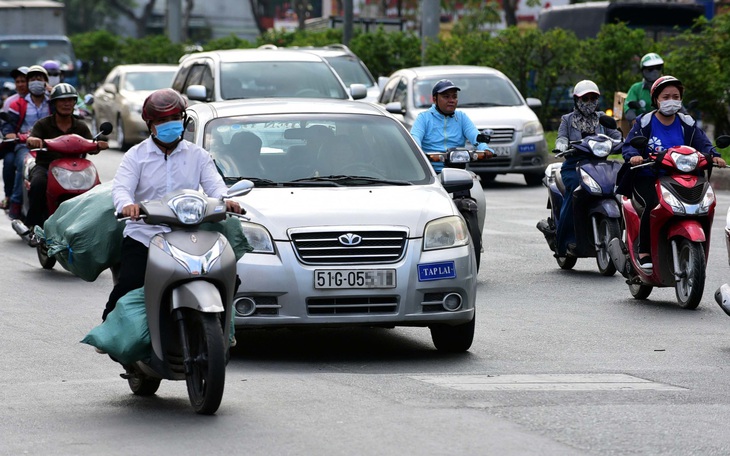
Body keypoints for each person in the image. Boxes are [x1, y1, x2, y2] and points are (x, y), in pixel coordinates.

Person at [103, 88, 241, 322]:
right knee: (130, 282)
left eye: (175, 118)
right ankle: (110, 325)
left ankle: (222, 328)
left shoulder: (198, 155)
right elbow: (122, 188)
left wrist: (225, 200)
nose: (170, 124)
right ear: (150, 124)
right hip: (144, 234)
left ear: (184, 120)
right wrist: (127, 205)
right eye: (162, 120)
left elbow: (215, 186)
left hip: (188, 233)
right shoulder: (136, 156)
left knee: (230, 277)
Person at [622, 75, 726, 270]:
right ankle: (644, 251)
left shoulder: (687, 122)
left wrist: (714, 155)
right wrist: (634, 156)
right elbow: (629, 146)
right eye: (666, 96)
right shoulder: (644, 122)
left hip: (682, 177)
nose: (671, 101)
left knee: (702, 203)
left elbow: (702, 143)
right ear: (656, 100)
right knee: (651, 204)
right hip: (650, 177)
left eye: (675, 96)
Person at [24, 83, 109, 236]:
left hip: (76, 169)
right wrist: (34, 140)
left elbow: (91, 143)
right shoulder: (43, 124)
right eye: (62, 100)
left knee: (98, 189)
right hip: (47, 167)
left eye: (70, 100)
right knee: (38, 183)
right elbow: (31, 139)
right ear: (54, 103)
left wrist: (99, 145)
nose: (67, 103)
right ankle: (33, 224)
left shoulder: (81, 126)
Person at [552, 80, 622, 258]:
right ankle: (565, 241)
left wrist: (623, 142)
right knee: (575, 192)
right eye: (585, 98)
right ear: (576, 100)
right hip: (574, 167)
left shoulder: (603, 119)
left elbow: (616, 136)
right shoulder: (567, 120)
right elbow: (561, 137)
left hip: (599, 166)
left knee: (620, 187)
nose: (589, 102)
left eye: (593, 98)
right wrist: (561, 145)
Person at [410, 79, 494, 172]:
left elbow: (474, 135)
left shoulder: (462, 117)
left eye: (454, 97)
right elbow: (415, 138)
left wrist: (485, 148)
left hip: (458, 171)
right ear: (434, 99)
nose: (451, 100)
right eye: (446, 97)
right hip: (430, 173)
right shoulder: (423, 118)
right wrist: (418, 152)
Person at [1, 65, 52, 219]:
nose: (36, 82)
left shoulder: (53, 103)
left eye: (40, 79)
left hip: (49, 147)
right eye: (33, 79)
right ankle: (16, 202)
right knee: (26, 164)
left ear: (46, 82)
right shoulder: (18, 104)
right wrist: (10, 133)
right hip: (24, 146)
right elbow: (9, 124)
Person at [0, 66, 29, 210]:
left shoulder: (47, 101)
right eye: (18, 81)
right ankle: (11, 198)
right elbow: (6, 125)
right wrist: (9, 134)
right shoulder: (11, 103)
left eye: (24, 81)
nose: (21, 84)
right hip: (19, 144)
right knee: (10, 161)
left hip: (45, 144)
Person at [624, 53, 664, 122]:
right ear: (643, 70)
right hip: (642, 128)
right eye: (650, 69)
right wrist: (635, 123)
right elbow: (628, 109)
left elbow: (679, 107)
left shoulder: (667, 87)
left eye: (658, 68)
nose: (655, 71)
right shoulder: (636, 88)